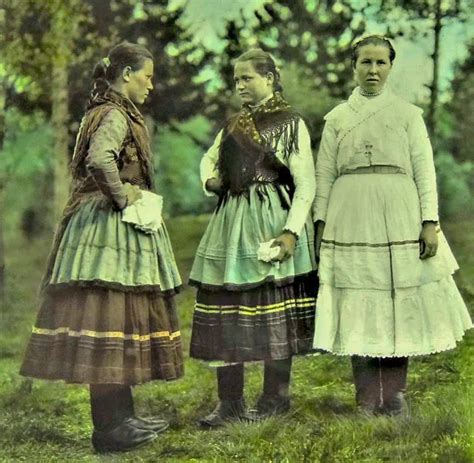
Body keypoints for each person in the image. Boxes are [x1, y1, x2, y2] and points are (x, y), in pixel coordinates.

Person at [20, 41, 184, 452]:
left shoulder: (110, 109)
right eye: (147, 76)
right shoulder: (112, 113)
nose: (151, 85)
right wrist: (123, 196)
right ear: (126, 74)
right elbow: (99, 160)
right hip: (105, 226)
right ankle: (109, 428)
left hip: (105, 223)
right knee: (107, 318)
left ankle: (122, 416)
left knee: (119, 320)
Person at [312, 35, 472, 415]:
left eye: (380, 63)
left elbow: (424, 170)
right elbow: (324, 175)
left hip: (400, 210)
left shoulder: (407, 114)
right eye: (365, 62)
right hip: (350, 213)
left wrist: (429, 220)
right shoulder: (337, 118)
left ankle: (395, 393)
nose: (373, 70)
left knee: (398, 297)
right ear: (353, 67)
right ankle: (367, 395)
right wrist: (320, 224)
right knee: (357, 298)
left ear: (390, 67)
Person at [189, 49, 317, 427]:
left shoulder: (291, 123)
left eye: (247, 78)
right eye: (236, 79)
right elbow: (208, 159)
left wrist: (291, 232)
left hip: (272, 219)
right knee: (227, 305)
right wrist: (211, 182)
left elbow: (306, 183)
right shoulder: (232, 124)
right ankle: (230, 404)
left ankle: (275, 397)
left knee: (273, 306)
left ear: (270, 78)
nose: (240, 85)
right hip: (231, 223)